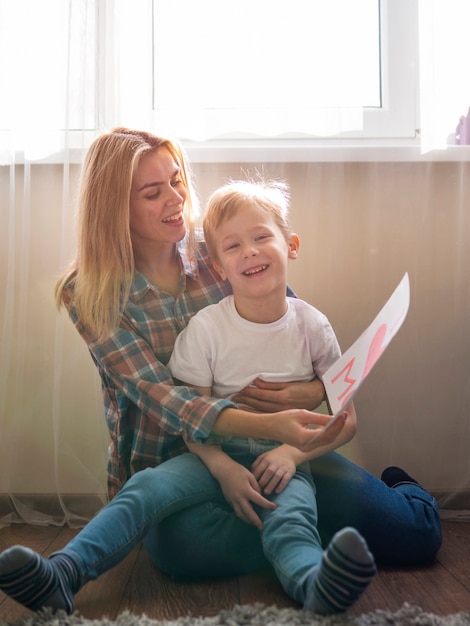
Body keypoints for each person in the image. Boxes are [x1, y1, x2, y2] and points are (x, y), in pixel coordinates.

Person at [0, 128, 441, 616]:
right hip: (181, 459)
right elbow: (165, 398)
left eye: (177, 179)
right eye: (153, 192)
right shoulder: (90, 292)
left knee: (413, 536)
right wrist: (249, 440)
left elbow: (292, 326)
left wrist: (306, 400)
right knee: (187, 548)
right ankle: (63, 573)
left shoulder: (220, 247)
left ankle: (353, 519)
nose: (176, 199)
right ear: (116, 210)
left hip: (284, 455)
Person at [168, 178, 377, 612]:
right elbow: (193, 415)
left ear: (291, 244)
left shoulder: (312, 325)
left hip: (295, 460)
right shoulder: (208, 328)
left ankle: (392, 498)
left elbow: (347, 419)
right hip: (222, 461)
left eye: (261, 237)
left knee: (416, 535)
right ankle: (306, 559)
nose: (250, 251)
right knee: (180, 541)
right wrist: (223, 467)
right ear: (218, 266)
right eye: (233, 246)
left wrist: (292, 455)